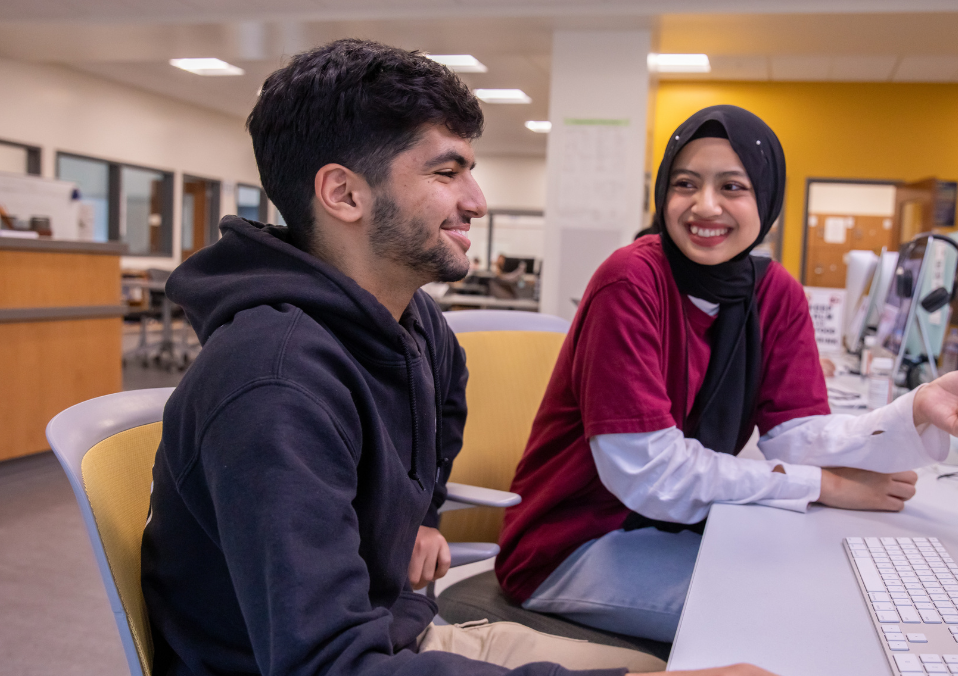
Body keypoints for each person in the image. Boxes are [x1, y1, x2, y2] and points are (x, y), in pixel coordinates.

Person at [141, 39, 769, 676]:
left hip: (409, 642)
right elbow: (329, 666)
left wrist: (423, 515)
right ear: (343, 193)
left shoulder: (414, 324)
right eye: (447, 173)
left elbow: (443, 405)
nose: (476, 200)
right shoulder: (273, 386)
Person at [496, 105, 958, 643]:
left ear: (767, 200)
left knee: (825, 586)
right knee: (791, 621)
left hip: (668, 524)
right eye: (685, 184)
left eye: (733, 186)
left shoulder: (775, 292)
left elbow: (797, 435)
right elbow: (652, 471)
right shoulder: (630, 283)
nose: (705, 205)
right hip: (572, 544)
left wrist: (916, 409)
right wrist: (823, 486)